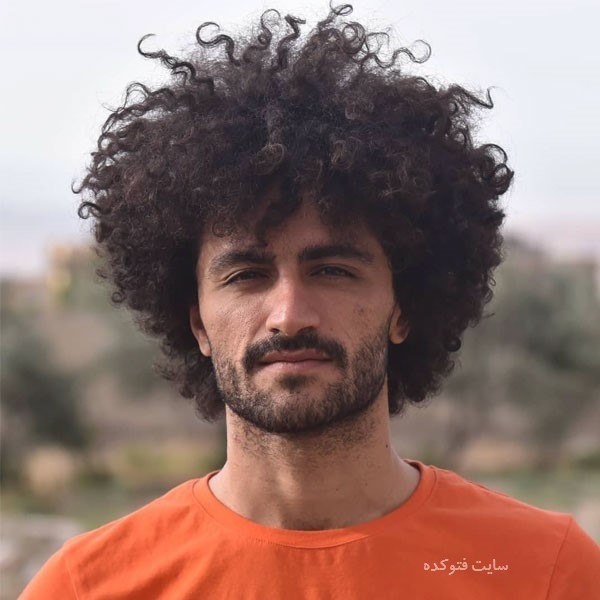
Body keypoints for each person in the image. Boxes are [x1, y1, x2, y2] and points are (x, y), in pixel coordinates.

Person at [20, 2, 599, 597]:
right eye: (246, 275)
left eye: (333, 271)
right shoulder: (89, 587)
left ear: (403, 307)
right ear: (196, 322)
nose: (290, 315)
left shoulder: (545, 572)